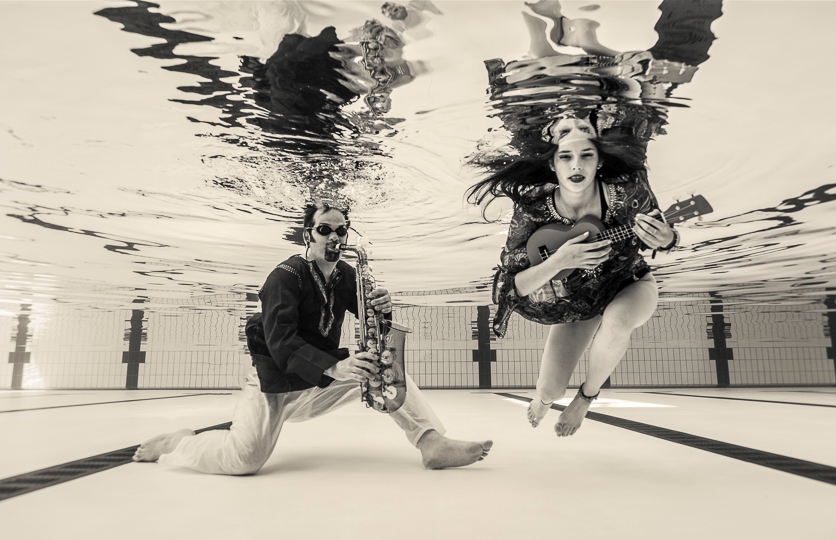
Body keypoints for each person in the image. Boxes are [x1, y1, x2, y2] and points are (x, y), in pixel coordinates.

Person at [133, 203, 492, 473]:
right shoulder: (284, 277)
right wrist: (338, 367)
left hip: (319, 381)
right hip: (274, 383)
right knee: (244, 461)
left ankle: (431, 442)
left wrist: (383, 308)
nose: (334, 237)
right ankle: (179, 443)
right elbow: (280, 343)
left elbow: (371, 321)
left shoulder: (347, 275)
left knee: (387, 371)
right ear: (308, 235)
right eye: (324, 229)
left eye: (341, 231)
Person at [466, 116, 679, 437]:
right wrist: (560, 261)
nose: (575, 165)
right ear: (553, 164)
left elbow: (662, 234)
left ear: (599, 161)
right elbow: (509, 288)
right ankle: (545, 399)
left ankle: (586, 397)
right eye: (565, 156)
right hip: (574, 306)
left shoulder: (630, 190)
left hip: (629, 283)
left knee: (619, 321)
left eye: (586, 155)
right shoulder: (533, 209)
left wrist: (668, 239)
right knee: (549, 390)